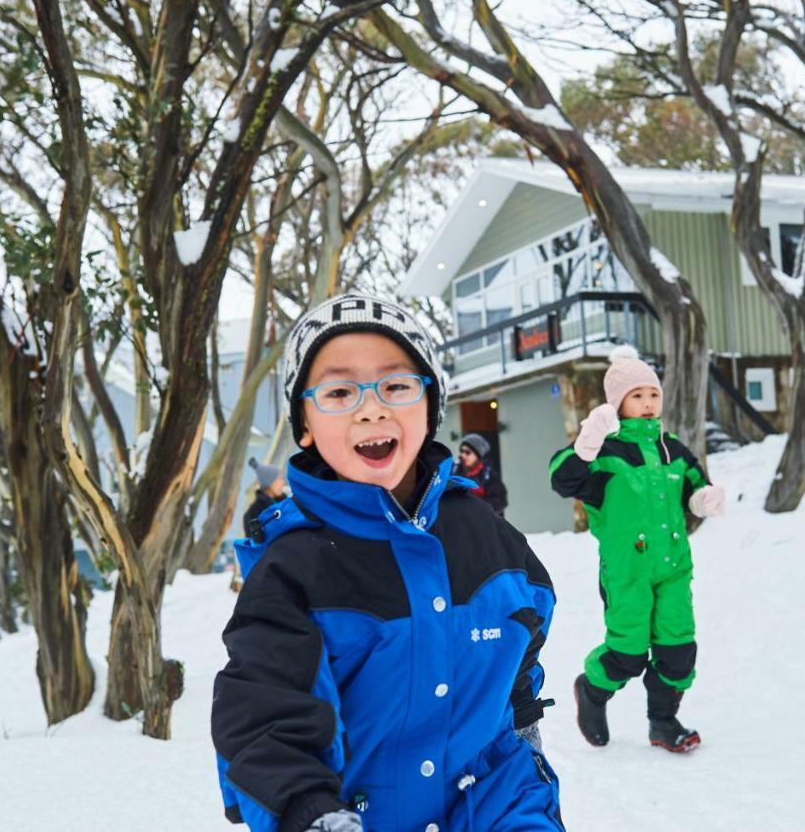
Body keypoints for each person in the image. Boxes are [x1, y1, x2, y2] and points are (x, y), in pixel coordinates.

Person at [212, 295, 561, 832]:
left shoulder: (487, 534)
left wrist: (520, 730)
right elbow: (263, 716)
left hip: (492, 812)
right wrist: (308, 811)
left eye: (396, 386)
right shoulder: (292, 567)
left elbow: (526, 636)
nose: (370, 407)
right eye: (338, 391)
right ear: (304, 425)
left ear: (429, 407)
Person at [548, 345, 726, 753]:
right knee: (628, 653)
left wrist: (703, 501)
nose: (648, 404)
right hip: (626, 569)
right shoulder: (605, 453)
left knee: (678, 651)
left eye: (653, 395)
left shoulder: (674, 449)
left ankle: (663, 722)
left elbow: (695, 487)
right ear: (618, 402)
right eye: (637, 396)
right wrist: (587, 444)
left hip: (674, 567)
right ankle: (592, 688)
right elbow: (561, 480)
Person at [455, 433, 508, 517]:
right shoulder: (454, 472)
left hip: (483, 522)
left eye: (467, 452)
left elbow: (500, 501)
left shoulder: (489, 476)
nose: (463, 455)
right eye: (461, 451)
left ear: (478, 455)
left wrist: (475, 508)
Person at [241, 457, 288, 542]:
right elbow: (254, 545)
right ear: (270, 482)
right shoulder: (253, 513)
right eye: (280, 479)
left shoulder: (286, 503)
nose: (283, 482)